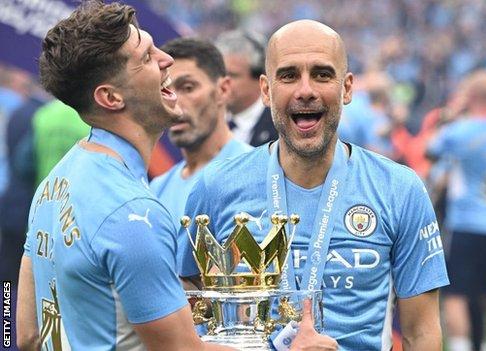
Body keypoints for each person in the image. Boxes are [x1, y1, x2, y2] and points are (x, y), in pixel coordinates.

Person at [15, 3, 328, 351]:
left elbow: (26, 334)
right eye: (147, 57)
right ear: (110, 97)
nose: (166, 58)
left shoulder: (55, 184)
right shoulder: (133, 213)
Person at [180, 19, 449, 351]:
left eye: (322, 74)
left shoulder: (400, 189)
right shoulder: (215, 187)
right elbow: (182, 322)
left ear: (347, 88)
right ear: (266, 90)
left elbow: (421, 333)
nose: (305, 90)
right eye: (289, 75)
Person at [427, 69, 486, 351]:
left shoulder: (458, 131)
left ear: (471, 96)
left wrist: (454, 112)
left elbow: (431, 149)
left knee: (456, 295)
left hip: (465, 223)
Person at [150, 38, 251, 241]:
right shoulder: (156, 189)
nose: (174, 102)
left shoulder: (252, 173)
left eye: (188, 87)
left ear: (223, 90)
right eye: (165, 90)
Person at [215, 30, 278, 146]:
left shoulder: (280, 127)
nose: (221, 83)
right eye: (218, 75)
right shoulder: (208, 123)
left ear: (261, 79)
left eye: (232, 75)